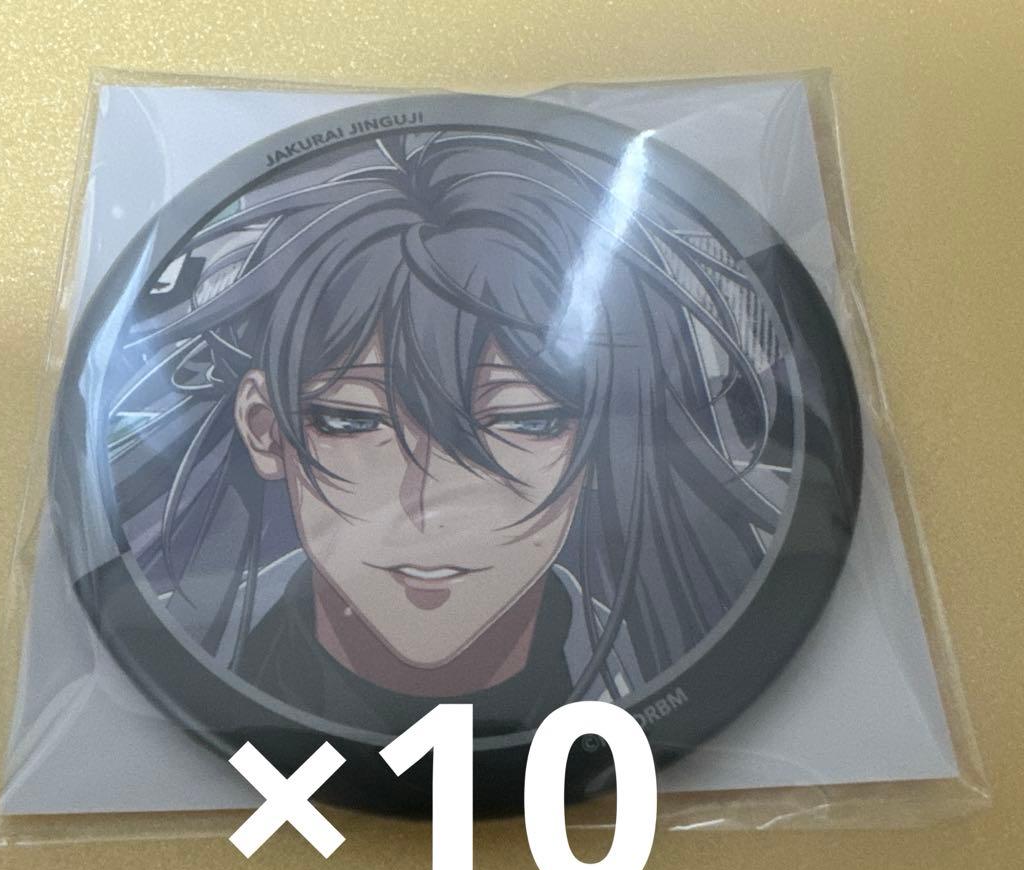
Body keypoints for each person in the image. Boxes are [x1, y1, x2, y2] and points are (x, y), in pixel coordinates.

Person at [107, 125, 790, 735]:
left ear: (601, 437)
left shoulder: (662, 673)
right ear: (264, 428)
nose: (430, 507)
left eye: (524, 421)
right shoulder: (172, 653)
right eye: (352, 420)